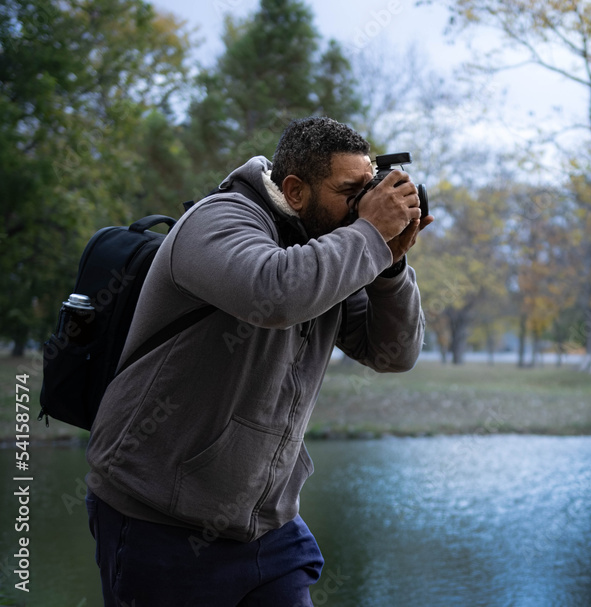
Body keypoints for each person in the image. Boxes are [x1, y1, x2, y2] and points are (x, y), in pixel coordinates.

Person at [85, 116, 431, 605]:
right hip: (158, 518)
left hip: (268, 524)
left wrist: (390, 267)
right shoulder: (218, 219)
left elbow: (393, 353)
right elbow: (275, 293)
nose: (363, 206)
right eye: (349, 192)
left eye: (367, 189)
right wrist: (371, 235)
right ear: (295, 190)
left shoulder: (333, 243)